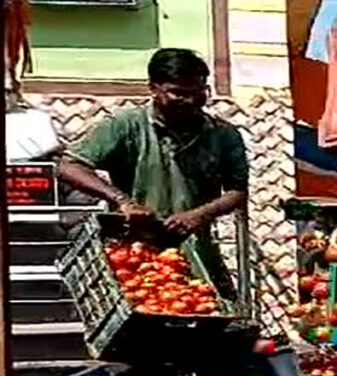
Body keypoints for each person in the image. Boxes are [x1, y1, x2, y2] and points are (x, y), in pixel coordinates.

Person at [57, 48, 248, 300]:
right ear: (153, 89)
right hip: (133, 254)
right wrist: (122, 201)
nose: (190, 101)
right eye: (178, 93)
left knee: (209, 317)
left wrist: (199, 215)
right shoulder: (125, 125)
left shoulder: (224, 135)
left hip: (197, 253)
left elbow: (237, 192)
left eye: (199, 92)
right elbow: (69, 166)